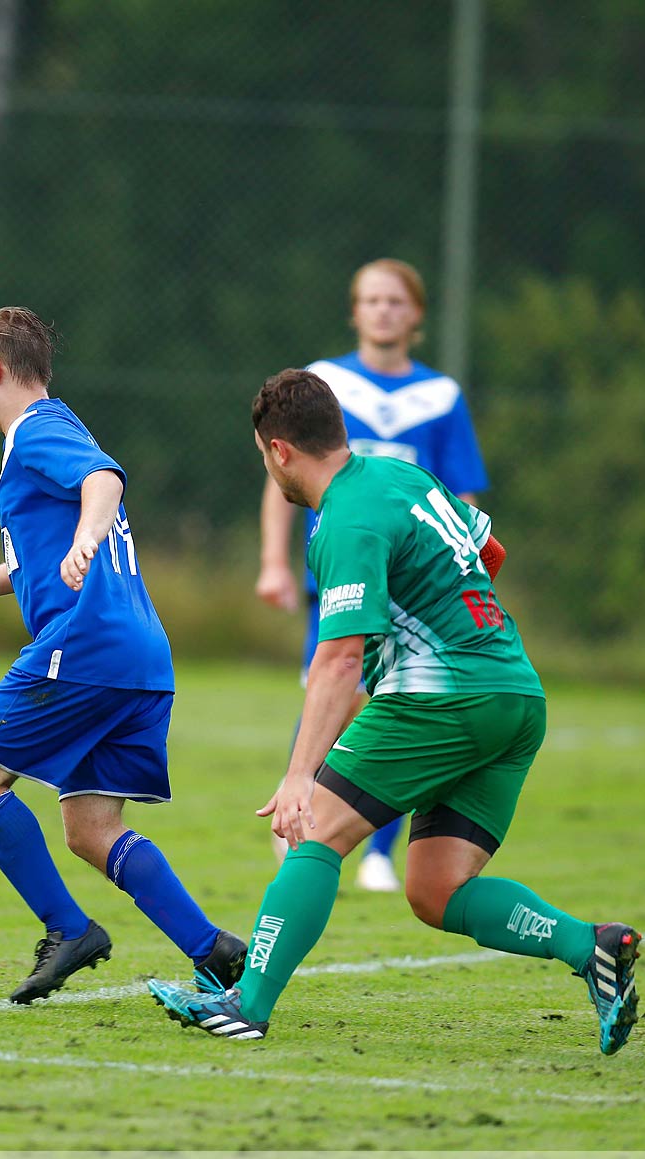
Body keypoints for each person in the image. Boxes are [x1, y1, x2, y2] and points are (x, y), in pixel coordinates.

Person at [152, 368, 642, 1053]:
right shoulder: (406, 479)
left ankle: (247, 1005)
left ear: (280, 452)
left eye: (265, 458)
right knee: (436, 890)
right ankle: (591, 946)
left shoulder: (345, 519)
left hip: (441, 697)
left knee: (314, 830)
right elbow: (487, 552)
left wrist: (300, 775)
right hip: (515, 694)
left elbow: (339, 659)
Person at [0, 306, 245, 1004]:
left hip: (84, 647)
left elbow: (103, 482)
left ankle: (69, 929)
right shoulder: (50, 432)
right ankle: (212, 950)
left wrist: (87, 537)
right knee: (92, 829)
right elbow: (30, 561)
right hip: (141, 659)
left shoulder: (37, 431)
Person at [255, 259, 490, 894]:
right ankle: (298, 817)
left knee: (398, 701)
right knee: (332, 691)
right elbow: (284, 477)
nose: (383, 310)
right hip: (342, 576)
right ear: (354, 311)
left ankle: (379, 851)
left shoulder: (440, 396)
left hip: (414, 585)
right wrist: (274, 562)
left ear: (416, 314)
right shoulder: (325, 384)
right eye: (371, 300)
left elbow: (460, 496)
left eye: (395, 301)